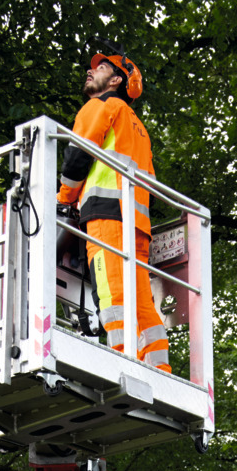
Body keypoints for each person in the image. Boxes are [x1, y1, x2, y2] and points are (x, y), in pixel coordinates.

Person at [57, 44, 170, 374]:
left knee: (111, 294)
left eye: (102, 68)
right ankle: (160, 369)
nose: (91, 71)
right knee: (142, 303)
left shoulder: (101, 106)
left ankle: (121, 364)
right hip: (137, 224)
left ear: (117, 80)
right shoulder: (139, 129)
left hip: (106, 218)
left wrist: (64, 200)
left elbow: (79, 155)